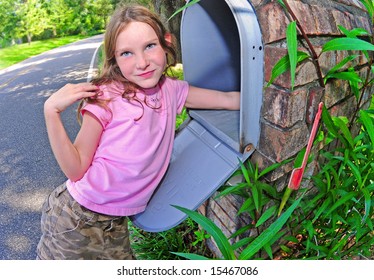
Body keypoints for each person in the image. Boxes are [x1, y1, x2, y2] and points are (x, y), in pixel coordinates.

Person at [37, 4, 240, 260]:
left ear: (166, 43)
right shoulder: (106, 97)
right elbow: (76, 169)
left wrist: (264, 93)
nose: (142, 62)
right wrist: (50, 113)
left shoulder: (172, 90)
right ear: (114, 59)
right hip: (77, 220)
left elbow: (226, 99)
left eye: (149, 46)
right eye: (126, 53)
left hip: (117, 223)